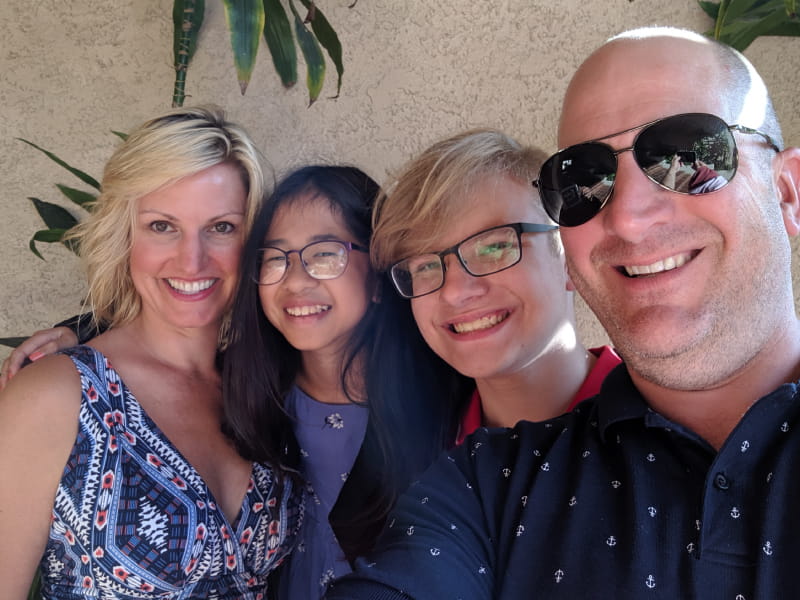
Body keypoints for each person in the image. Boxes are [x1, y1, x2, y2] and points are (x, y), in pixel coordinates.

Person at [325, 27, 800, 600]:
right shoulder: (476, 478)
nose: (627, 217)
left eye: (687, 155)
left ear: (788, 192)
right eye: (585, 183)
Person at [0, 106, 302, 599]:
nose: (192, 259)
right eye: (163, 226)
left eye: (221, 227)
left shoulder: (263, 387)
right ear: (126, 236)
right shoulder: (57, 396)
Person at [221, 165, 470, 599]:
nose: (296, 281)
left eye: (324, 253)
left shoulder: (446, 398)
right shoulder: (239, 392)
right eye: (275, 258)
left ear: (377, 276)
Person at [370, 128, 620, 441]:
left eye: (494, 247)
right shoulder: (420, 448)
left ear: (570, 258)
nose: (455, 291)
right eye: (425, 266)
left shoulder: (671, 427)